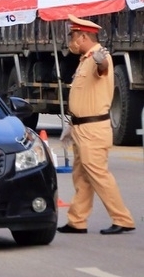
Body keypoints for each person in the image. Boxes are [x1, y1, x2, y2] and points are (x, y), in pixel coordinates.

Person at [57, 15, 136, 235]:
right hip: (81, 127)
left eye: (73, 36)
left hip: (93, 129)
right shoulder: (84, 59)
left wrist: (100, 60)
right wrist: (71, 125)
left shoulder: (99, 58)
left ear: (83, 36)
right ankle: (77, 221)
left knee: (98, 175)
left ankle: (123, 218)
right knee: (81, 175)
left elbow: (101, 70)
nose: (70, 41)